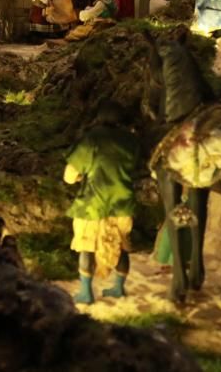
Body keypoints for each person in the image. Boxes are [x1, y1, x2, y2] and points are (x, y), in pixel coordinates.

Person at [62, 101, 139, 305]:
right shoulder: (130, 140)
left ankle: (86, 293)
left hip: (93, 205)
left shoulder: (91, 139)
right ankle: (119, 288)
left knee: (87, 246)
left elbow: (70, 176)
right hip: (122, 204)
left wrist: (80, 177)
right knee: (121, 245)